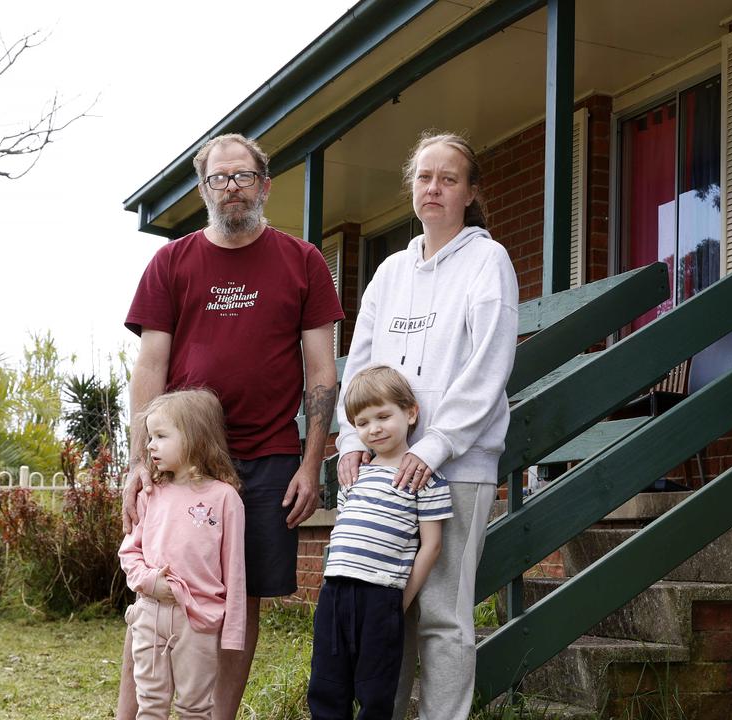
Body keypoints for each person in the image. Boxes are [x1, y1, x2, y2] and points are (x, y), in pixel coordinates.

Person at [119, 133, 344, 720]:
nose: (232, 188)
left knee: (240, 600)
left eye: (243, 177)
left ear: (265, 186)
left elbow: (322, 372)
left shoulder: (303, 261)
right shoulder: (172, 261)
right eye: (220, 178)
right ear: (204, 189)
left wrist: (312, 461)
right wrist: (140, 460)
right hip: (182, 459)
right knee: (154, 591)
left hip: (269, 457)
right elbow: (150, 366)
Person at [335, 132, 518, 720]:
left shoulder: (487, 261)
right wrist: (347, 440)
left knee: (441, 613)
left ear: (470, 193)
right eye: (423, 177)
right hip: (384, 472)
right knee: (386, 606)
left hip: (456, 467)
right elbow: (359, 365)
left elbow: (489, 364)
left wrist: (436, 445)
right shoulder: (390, 272)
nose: (433, 188)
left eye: (448, 178)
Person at [308, 365, 452, 720]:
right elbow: (344, 531)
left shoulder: (425, 479)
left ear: (410, 412)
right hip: (335, 592)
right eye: (363, 422)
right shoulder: (353, 476)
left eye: (384, 416)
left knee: (375, 689)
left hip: (382, 595)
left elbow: (431, 546)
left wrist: (399, 600)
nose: (374, 428)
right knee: (327, 684)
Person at [119, 389, 246, 719]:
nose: (150, 445)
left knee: (194, 707)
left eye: (161, 436)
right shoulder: (150, 494)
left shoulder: (225, 498)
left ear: (194, 437)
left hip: (199, 622)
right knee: (151, 705)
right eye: (150, 437)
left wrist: (232, 634)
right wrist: (150, 582)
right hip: (149, 613)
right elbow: (129, 553)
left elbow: (234, 572)